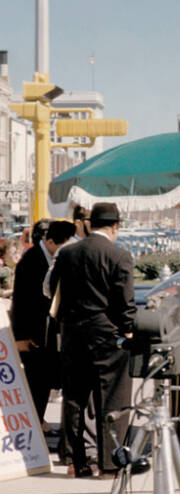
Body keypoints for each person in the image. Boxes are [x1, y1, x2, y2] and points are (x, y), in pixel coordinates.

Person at [50, 203, 136, 478]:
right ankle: (110, 463)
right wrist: (127, 330)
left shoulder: (67, 253)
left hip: (73, 332)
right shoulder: (119, 255)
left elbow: (51, 289)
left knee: (74, 399)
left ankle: (77, 463)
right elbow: (126, 301)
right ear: (114, 227)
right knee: (112, 399)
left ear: (89, 224)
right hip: (107, 334)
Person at [11, 220, 75, 429]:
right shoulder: (30, 261)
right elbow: (20, 302)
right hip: (32, 335)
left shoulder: (52, 257)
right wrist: (19, 337)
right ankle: (32, 426)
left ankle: (37, 422)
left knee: (44, 382)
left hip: (47, 334)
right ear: (49, 241)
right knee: (35, 384)